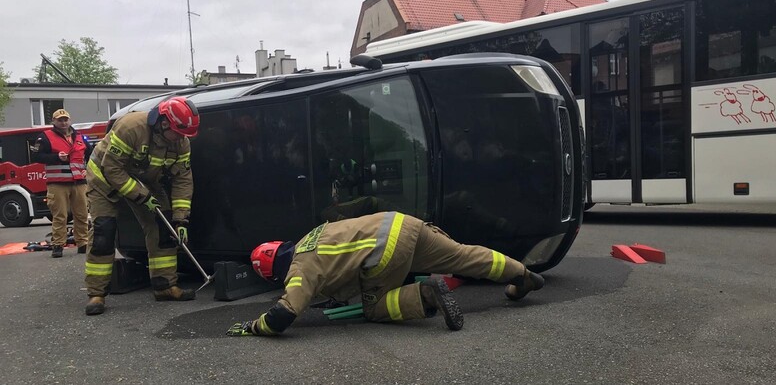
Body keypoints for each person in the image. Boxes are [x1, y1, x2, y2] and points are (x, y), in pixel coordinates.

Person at [227, 211, 545, 336]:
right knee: (461, 255)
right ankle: (522, 276)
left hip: (384, 252)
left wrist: (254, 326)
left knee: (374, 306)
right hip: (402, 224)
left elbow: (284, 314)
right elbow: (343, 264)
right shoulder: (313, 235)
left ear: (272, 275)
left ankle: (426, 294)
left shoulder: (299, 269)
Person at [83, 96, 199, 316]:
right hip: (104, 178)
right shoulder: (131, 126)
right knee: (103, 232)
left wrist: (181, 219)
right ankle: (96, 293)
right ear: (163, 123)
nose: (182, 138)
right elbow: (112, 169)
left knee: (163, 228)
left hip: (145, 180)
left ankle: (165, 286)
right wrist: (141, 196)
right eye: (179, 132)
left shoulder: (181, 142)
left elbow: (183, 180)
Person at [31, 109, 91, 258]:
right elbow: (36, 156)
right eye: (60, 120)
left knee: (82, 214)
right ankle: (58, 245)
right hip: (57, 183)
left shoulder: (80, 137)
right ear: (54, 122)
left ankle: (83, 243)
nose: (63, 122)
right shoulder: (44, 137)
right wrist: (56, 157)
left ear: (70, 121)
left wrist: (88, 169)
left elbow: (91, 154)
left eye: (65, 120)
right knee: (60, 216)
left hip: (79, 182)